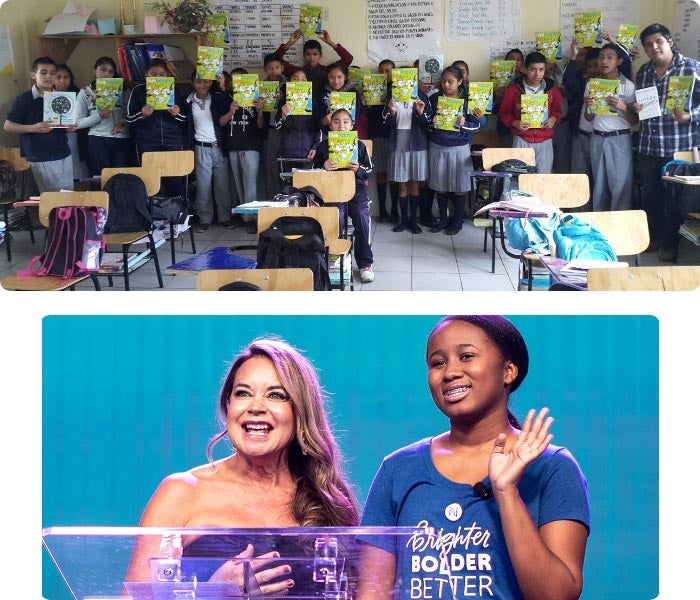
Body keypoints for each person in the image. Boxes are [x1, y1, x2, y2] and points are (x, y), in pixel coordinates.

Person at [358, 315, 590, 600]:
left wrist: (506, 492)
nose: (450, 372)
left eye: (466, 356)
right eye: (437, 363)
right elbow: (371, 592)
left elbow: (557, 596)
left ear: (508, 371)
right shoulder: (397, 468)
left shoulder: (552, 467)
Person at [124, 336, 360, 588]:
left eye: (276, 395)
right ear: (229, 407)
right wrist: (215, 592)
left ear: (300, 411)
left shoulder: (328, 498)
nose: (256, 406)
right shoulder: (181, 493)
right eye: (243, 393)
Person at [631, 22, 700, 261]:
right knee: (651, 197)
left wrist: (691, 115)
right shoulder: (643, 72)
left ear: (669, 42)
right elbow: (642, 109)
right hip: (649, 146)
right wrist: (636, 108)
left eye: (658, 41)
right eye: (648, 44)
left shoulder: (692, 68)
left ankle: (670, 244)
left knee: (675, 200)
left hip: (679, 147)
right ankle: (654, 239)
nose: (654, 47)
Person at [312, 108, 374, 283]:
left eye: (345, 122)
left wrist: (358, 169)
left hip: (356, 188)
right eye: (336, 122)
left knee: (362, 215)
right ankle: (336, 259)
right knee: (335, 216)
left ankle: (365, 263)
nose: (341, 126)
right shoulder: (323, 146)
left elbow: (369, 170)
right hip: (331, 190)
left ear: (352, 126)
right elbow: (312, 171)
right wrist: (323, 166)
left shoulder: (359, 145)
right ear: (330, 125)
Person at [425, 66, 483, 235]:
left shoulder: (467, 100)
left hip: (459, 148)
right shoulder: (435, 99)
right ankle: (443, 219)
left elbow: (476, 126)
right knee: (440, 185)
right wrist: (432, 123)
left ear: (459, 82)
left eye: (451, 81)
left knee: (460, 186)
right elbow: (426, 125)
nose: (446, 85)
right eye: (443, 81)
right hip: (437, 147)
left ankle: (457, 221)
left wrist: (464, 124)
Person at [3, 56, 74, 192]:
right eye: (43, 72)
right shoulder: (24, 99)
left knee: (68, 194)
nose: (48, 76)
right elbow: (8, 126)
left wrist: (69, 127)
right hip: (40, 154)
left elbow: (61, 125)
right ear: (33, 75)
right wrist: (33, 128)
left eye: (52, 73)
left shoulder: (61, 96)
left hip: (63, 151)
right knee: (51, 198)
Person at [583, 43, 638, 211]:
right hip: (597, 137)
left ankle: (619, 225)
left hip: (619, 138)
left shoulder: (627, 86)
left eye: (609, 57)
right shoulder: (592, 85)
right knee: (598, 185)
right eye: (601, 57)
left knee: (620, 184)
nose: (604, 61)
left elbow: (634, 121)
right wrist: (588, 107)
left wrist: (623, 107)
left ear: (619, 61)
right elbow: (589, 117)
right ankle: (600, 224)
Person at [124, 58, 188, 197]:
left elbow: (185, 120)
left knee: (175, 182)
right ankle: (152, 216)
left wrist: (177, 114)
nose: (158, 77)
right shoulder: (138, 90)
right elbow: (128, 118)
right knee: (149, 184)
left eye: (162, 74)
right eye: (154, 74)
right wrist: (143, 114)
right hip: (147, 144)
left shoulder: (174, 90)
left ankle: (174, 214)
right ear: (147, 74)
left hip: (172, 143)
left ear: (167, 75)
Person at [213, 67, 265, 234]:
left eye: (242, 80)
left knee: (250, 183)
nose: (238, 84)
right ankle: (244, 215)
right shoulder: (226, 98)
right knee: (237, 183)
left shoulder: (256, 99)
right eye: (235, 80)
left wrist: (260, 111)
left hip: (251, 145)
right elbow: (221, 122)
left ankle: (252, 218)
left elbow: (261, 127)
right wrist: (230, 111)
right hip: (233, 145)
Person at [499, 51, 563, 173]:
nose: (537, 74)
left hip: (545, 140)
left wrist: (554, 119)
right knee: (521, 178)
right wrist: (514, 122)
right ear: (525, 69)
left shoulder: (552, 91)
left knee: (543, 178)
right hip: (521, 139)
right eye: (533, 69)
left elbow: (558, 112)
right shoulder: (513, 90)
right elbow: (504, 113)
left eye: (541, 69)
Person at [384, 74, 432, 234]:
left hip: (417, 143)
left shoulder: (421, 95)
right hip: (398, 143)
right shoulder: (392, 95)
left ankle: (413, 220)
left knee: (414, 183)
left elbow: (428, 122)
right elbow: (384, 122)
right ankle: (403, 220)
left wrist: (419, 112)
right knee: (401, 183)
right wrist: (392, 112)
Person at [185, 71, 233, 232]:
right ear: (193, 83)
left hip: (218, 146)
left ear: (210, 83)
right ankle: (204, 218)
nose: (202, 85)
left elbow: (229, 107)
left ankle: (224, 217)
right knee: (203, 185)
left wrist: (222, 86)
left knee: (223, 185)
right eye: (198, 82)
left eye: (206, 81)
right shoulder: (188, 101)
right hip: (200, 147)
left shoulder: (217, 98)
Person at [75, 56, 131, 177]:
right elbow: (77, 123)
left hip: (121, 138)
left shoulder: (125, 91)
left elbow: (132, 114)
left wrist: (124, 124)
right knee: (100, 177)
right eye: (103, 69)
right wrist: (98, 116)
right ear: (94, 71)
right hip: (98, 139)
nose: (106, 74)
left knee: (121, 177)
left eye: (111, 71)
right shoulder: (85, 93)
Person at [366, 59, 399, 223]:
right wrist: (370, 103)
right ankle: (383, 211)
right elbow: (370, 116)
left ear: (394, 72)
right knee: (381, 172)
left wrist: (389, 100)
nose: (384, 74)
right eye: (381, 71)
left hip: (395, 135)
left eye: (388, 70)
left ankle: (394, 210)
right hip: (378, 133)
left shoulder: (400, 88)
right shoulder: (371, 87)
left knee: (393, 174)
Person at [273, 29, 354, 94]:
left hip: (323, 110)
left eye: (315, 54)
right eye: (308, 54)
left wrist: (330, 42)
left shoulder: (328, 71)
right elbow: (275, 59)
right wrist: (289, 43)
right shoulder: (297, 72)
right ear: (304, 56)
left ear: (320, 55)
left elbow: (348, 59)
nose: (311, 58)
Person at [54, 63, 90, 183]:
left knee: (76, 169)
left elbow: (86, 117)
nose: (62, 81)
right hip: (52, 138)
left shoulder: (79, 94)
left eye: (66, 77)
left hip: (74, 137)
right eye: (58, 77)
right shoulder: (45, 94)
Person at [259, 54, 288, 201]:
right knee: (271, 169)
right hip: (270, 131)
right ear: (265, 70)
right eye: (270, 68)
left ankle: (290, 200)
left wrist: (283, 98)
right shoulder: (261, 87)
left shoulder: (291, 86)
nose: (274, 71)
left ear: (282, 68)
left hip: (287, 132)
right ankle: (273, 202)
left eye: (277, 67)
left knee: (287, 168)